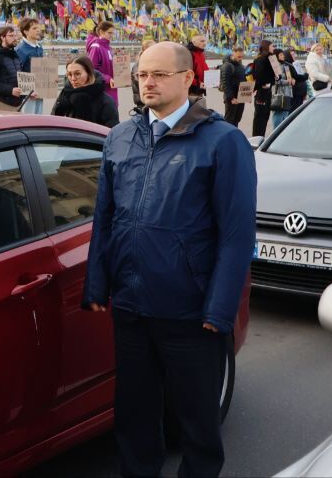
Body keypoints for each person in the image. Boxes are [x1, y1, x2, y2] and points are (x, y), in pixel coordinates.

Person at [83, 41, 256, 478]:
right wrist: (96, 283)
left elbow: (236, 235)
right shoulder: (122, 137)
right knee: (135, 415)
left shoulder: (223, 142)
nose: (148, 83)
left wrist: (220, 310)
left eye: (158, 74)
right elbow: (104, 216)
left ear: (187, 78)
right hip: (131, 306)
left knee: (196, 421)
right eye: (142, 75)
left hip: (190, 311)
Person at [50, 55, 120, 128]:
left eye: (77, 74)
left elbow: (112, 133)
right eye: (69, 74)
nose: (73, 78)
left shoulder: (106, 101)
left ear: (88, 73)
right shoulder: (65, 95)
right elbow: (53, 122)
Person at [14, 17, 45, 115]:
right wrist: (27, 91)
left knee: (39, 121)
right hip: (27, 95)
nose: (38, 30)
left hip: (39, 90)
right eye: (34, 28)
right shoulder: (21, 50)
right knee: (28, 120)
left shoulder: (39, 47)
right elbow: (18, 72)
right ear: (26, 32)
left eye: (38, 28)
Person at [86, 21, 119, 107]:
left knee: (112, 116)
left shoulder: (109, 48)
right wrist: (108, 79)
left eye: (113, 33)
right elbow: (91, 70)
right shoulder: (96, 48)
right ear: (101, 32)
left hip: (112, 90)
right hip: (102, 91)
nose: (112, 35)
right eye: (109, 33)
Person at [250, 40, 276, 138]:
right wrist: (268, 81)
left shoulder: (270, 59)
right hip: (261, 92)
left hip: (267, 90)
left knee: (265, 116)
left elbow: (272, 76)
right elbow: (259, 76)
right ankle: (256, 138)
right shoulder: (260, 59)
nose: (274, 48)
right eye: (272, 46)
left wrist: (275, 77)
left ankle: (261, 137)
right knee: (260, 116)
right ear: (266, 47)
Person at [218, 46, 247, 128]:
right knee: (229, 121)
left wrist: (247, 95)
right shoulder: (227, 66)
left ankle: (233, 137)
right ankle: (227, 139)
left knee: (237, 119)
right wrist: (231, 98)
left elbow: (243, 80)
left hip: (240, 97)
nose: (240, 58)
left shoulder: (240, 65)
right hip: (232, 98)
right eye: (239, 56)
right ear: (233, 53)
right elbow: (225, 83)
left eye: (242, 56)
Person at [271, 50, 299, 129]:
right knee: (278, 114)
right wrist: (287, 81)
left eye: (283, 55)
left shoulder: (285, 65)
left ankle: (282, 132)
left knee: (285, 113)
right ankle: (276, 132)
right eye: (281, 55)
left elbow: (289, 77)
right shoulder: (275, 65)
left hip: (287, 92)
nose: (283, 56)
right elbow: (276, 80)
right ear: (276, 56)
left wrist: (292, 79)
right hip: (279, 93)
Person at [130, 38, 155, 110]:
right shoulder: (139, 64)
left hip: (148, 100)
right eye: (152, 49)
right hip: (143, 102)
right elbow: (139, 82)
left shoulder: (151, 62)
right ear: (145, 50)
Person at [185, 33, 209, 100]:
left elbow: (204, 68)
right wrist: (198, 83)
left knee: (200, 108)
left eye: (205, 41)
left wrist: (212, 78)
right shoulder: (189, 54)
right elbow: (186, 73)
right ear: (194, 42)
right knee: (193, 109)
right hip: (192, 90)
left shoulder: (201, 53)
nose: (204, 43)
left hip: (200, 88)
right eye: (202, 41)